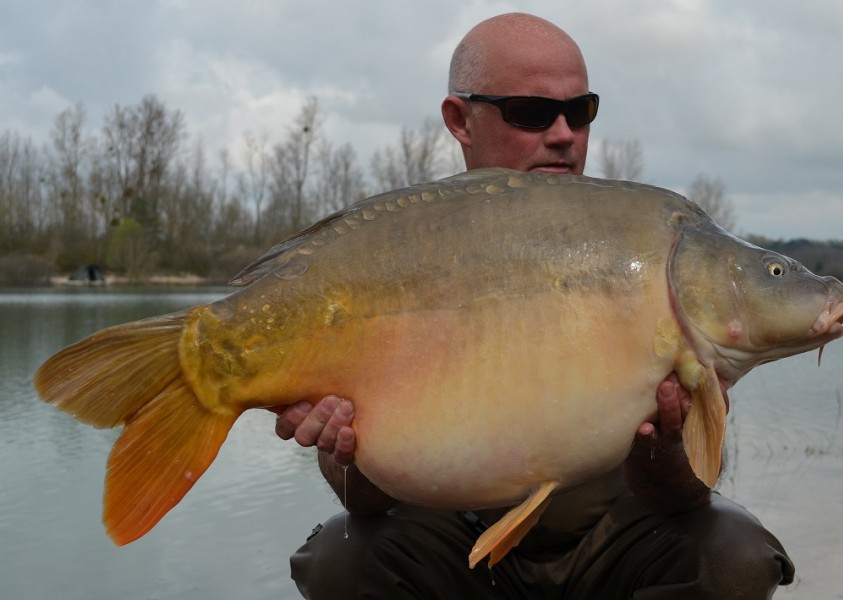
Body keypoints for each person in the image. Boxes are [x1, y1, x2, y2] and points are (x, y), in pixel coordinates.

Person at [275, 13, 795, 599]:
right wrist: (342, 448)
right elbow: (364, 502)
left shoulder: (648, 257)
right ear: (459, 120)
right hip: (452, 539)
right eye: (530, 112)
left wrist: (667, 447)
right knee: (338, 558)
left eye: (580, 111)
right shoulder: (399, 252)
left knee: (733, 554)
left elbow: (682, 499)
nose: (563, 134)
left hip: (611, 540)